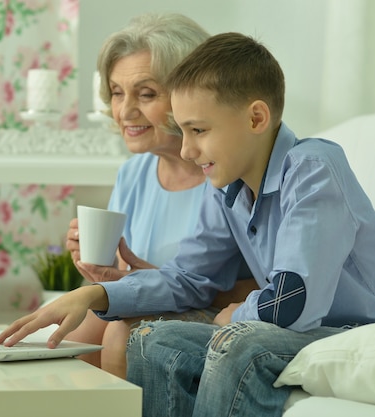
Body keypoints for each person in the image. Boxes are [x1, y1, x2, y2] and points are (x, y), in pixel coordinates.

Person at [0, 32, 375, 416]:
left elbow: (291, 302)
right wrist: (98, 295)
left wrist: (237, 314)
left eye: (198, 130)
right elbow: (189, 277)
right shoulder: (227, 188)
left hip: (365, 329)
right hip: (307, 328)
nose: (188, 150)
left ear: (256, 118)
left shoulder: (313, 168)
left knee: (239, 341)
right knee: (156, 339)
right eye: (183, 130)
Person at [62, 13, 257, 379]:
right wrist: (104, 271)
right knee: (72, 334)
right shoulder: (133, 173)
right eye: (117, 93)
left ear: (192, 94)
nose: (125, 111)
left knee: (121, 332)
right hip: (154, 305)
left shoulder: (230, 173)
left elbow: (269, 288)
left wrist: (159, 282)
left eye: (146, 93)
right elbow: (125, 279)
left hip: (213, 315)